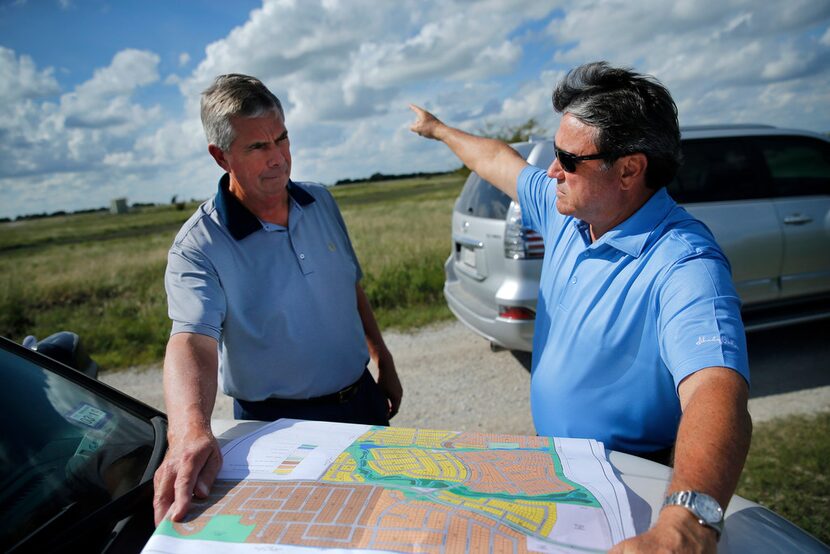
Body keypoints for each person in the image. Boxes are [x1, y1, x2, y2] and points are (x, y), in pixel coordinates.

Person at [409, 61, 751, 552]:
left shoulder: (684, 262)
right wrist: (437, 129)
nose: (552, 171)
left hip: (630, 481)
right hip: (557, 467)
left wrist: (685, 526)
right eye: (554, 153)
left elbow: (716, 393)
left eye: (568, 160)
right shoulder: (570, 211)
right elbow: (497, 160)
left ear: (630, 169)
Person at [152, 74, 402, 526]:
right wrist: (189, 430)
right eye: (257, 147)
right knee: (306, 532)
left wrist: (380, 356)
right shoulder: (198, 245)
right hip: (278, 427)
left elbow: (349, 284)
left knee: (378, 523)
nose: (279, 158)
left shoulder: (320, 201)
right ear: (220, 156)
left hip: (361, 401)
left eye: (281, 138)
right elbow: (192, 341)